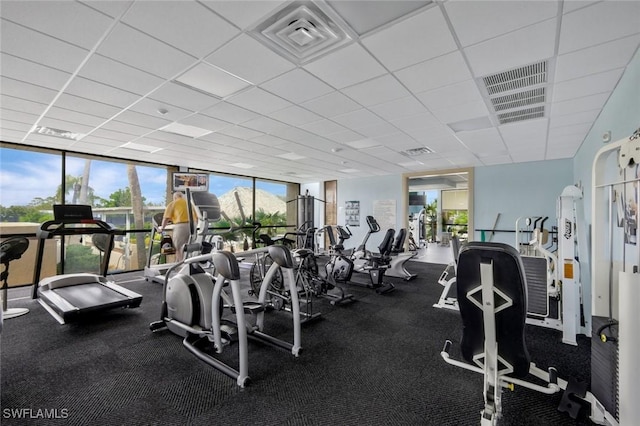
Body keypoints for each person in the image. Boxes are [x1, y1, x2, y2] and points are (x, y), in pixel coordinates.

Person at [159, 192, 195, 262]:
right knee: (189, 247)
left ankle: (181, 265)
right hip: (193, 225)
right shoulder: (189, 204)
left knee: (179, 247)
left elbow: (166, 218)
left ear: (175, 197)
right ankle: (188, 263)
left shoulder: (173, 203)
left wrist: (162, 228)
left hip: (181, 227)